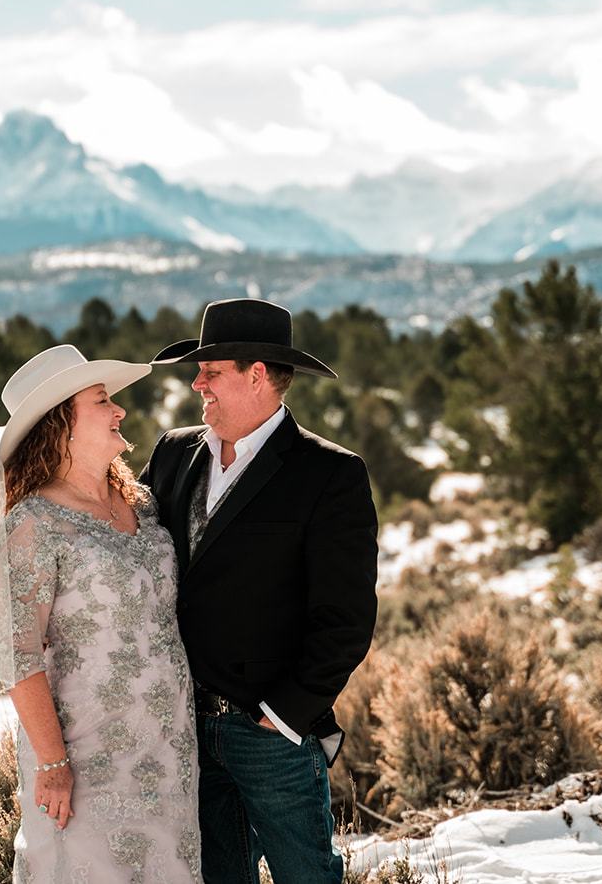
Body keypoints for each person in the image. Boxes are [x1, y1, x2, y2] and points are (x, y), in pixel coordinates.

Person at [0, 344, 200, 883]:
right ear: (60, 422)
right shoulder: (33, 525)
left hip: (168, 747)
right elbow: (16, 654)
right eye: (103, 401)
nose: (120, 412)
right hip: (87, 757)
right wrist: (53, 763)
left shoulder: (140, 503)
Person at [140, 299, 379, 884]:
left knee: (307, 877)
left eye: (211, 370)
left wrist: (281, 715)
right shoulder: (172, 453)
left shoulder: (329, 474)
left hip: (271, 733)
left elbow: (345, 618)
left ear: (258, 375)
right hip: (183, 728)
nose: (197, 382)